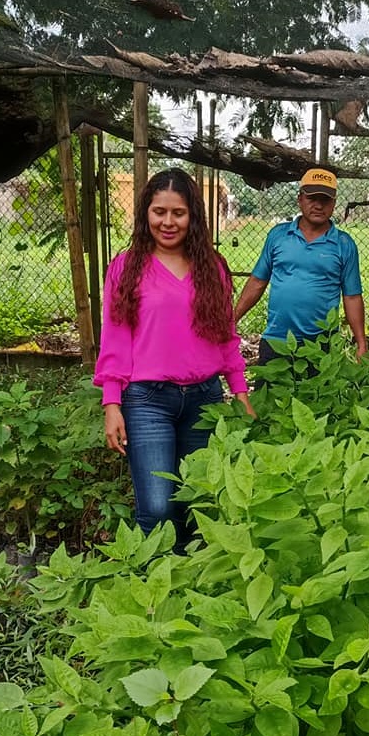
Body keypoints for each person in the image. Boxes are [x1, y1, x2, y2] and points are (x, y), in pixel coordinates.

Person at [93, 168, 256, 550]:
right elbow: (115, 338)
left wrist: (240, 392)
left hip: (204, 398)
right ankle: (153, 578)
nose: (168, 222)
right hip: (147, 401)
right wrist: (112, 403)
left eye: (178, 213)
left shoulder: (212, 267)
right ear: (145, 214)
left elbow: (226, 335)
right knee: (157, 506)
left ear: (192, 216)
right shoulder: (126, 267)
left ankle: (190, 577)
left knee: (196, 501)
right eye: (159, 212)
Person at [234, 167, 368, 366]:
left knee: (318, 387)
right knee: (270, 386)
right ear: (300, 199)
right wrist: (233, 319)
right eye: (312, 198)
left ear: (334, 203)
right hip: (277, 340)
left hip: (321, 344)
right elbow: (257, 281)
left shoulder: (344, 244)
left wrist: (361, 343)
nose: (318, 205)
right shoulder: (278, 236)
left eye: (325, 200)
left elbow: (352, 296)